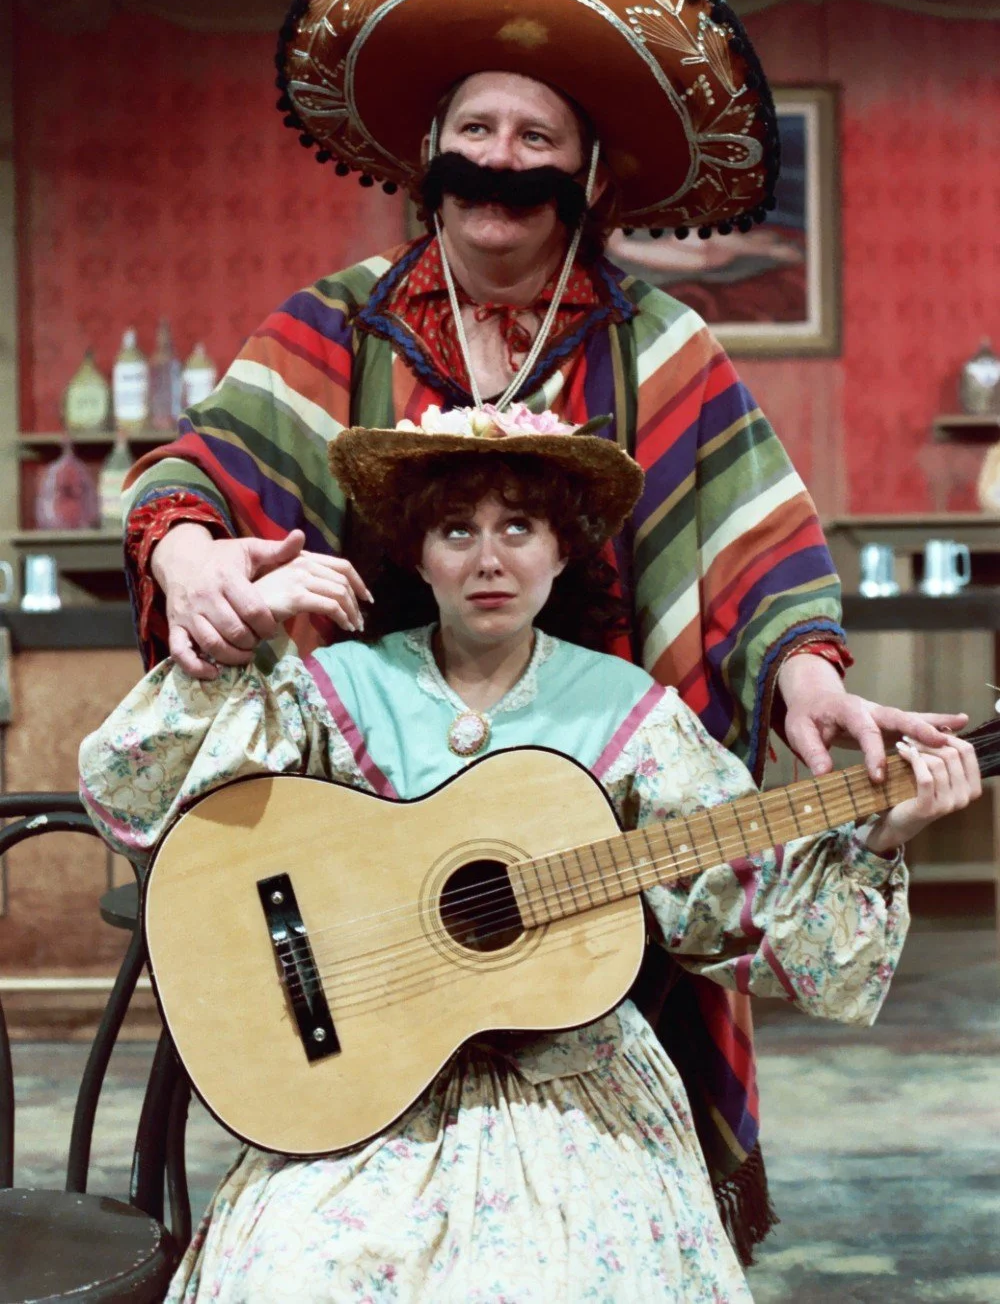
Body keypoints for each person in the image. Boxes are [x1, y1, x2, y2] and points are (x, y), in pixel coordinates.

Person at [117, 0, 966, 1244]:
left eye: (537, 140)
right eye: (479, 131)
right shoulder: (331, 327)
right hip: (364, 784)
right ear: (427, 157)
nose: (501, 161)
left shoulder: (663, 348)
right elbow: (195, 476)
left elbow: (753, 550)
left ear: (591, 175)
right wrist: (191, 553)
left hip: (593, 774)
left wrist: (805, 679)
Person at [81, 409, 981, 1304]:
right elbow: (134, 793)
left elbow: (746, 911)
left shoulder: (632, 717)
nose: (488, 558)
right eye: (456, 528)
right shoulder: (336, 689)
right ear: (416, 551)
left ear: (564, 549)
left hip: (575, 1091)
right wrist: (238, 644)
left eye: (519, 526)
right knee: (302, 1276)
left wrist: (879, 834)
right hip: (355, 1091)